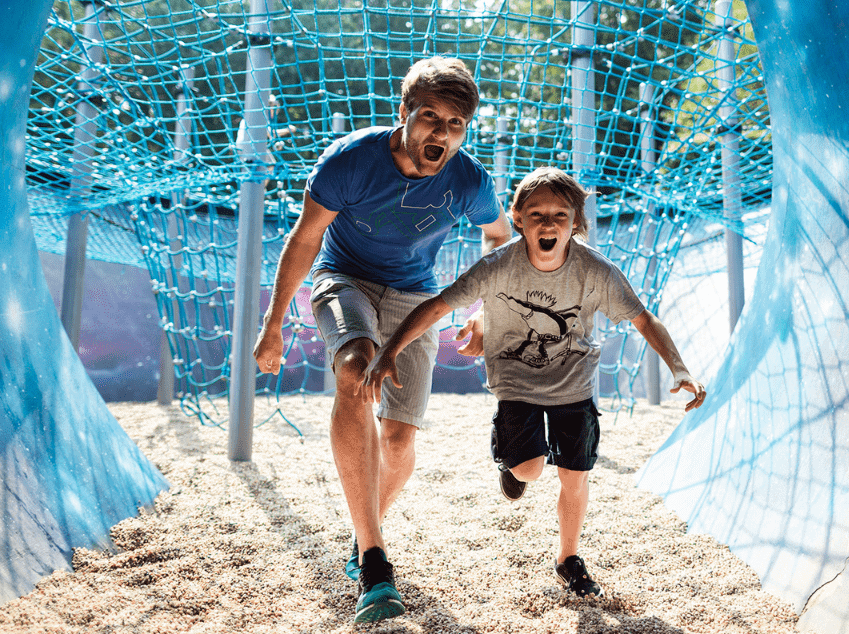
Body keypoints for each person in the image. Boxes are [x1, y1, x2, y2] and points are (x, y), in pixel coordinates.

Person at [364, 166, 706, 599]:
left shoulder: (595, 271)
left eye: (560, 215)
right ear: (519, 219)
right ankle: (511, 461)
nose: (548, 224)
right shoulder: (498, 266)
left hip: (574, 387)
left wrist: (680, 368)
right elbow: (435, 307)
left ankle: (568, 558)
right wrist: (390, 349)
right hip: (516, 384)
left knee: (575, 476)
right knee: (530, 469)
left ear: (576, 224)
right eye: (537, 214)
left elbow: (643, 318)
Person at [253, 56, 512, 623]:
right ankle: (374, 561)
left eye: (454, 124)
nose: (440, 133)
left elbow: (500, 238)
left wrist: (486, 311)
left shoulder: (469, 180)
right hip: (343, 276)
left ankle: (361, 532)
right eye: (429, 117)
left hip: (415, 298)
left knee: (398, 439)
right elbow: (304, 240)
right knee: (355, 369)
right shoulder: (351, 161)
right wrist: (272, 324)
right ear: (405, 114)